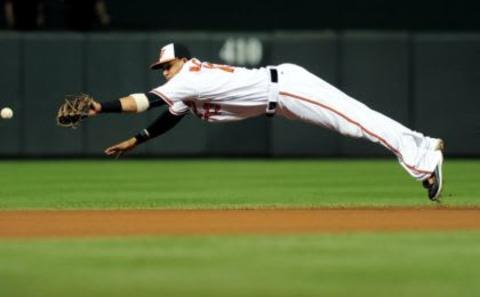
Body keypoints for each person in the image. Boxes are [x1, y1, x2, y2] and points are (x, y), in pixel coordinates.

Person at [86, 43, 444, 201]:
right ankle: (422, 144)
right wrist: (136, 142)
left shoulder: (188, 76)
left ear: (182, 60)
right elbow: (169, 117)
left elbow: (144, 102)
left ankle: (424, 163)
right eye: (160, 68)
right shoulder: (185, 86)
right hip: (283, 97)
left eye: (166, 65)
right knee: (354, 122)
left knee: (357, 120)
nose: (163, 72)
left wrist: (100, 108)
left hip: (287, 88)